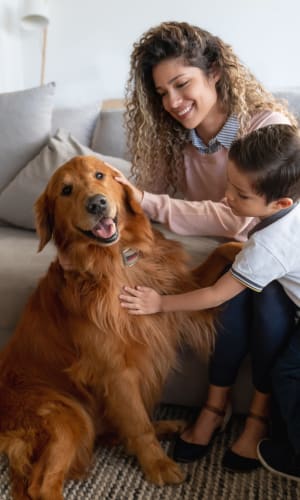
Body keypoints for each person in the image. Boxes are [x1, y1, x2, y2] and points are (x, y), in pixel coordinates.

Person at [119, 124, 300, 471]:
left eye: (241, 195)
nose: (229, 197)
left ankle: (293, 452)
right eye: (229, 184)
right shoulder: (285, 211)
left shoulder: (268, 246)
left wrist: (159, 303)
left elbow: (217, 293)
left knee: (290, 372)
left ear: (281, 203)